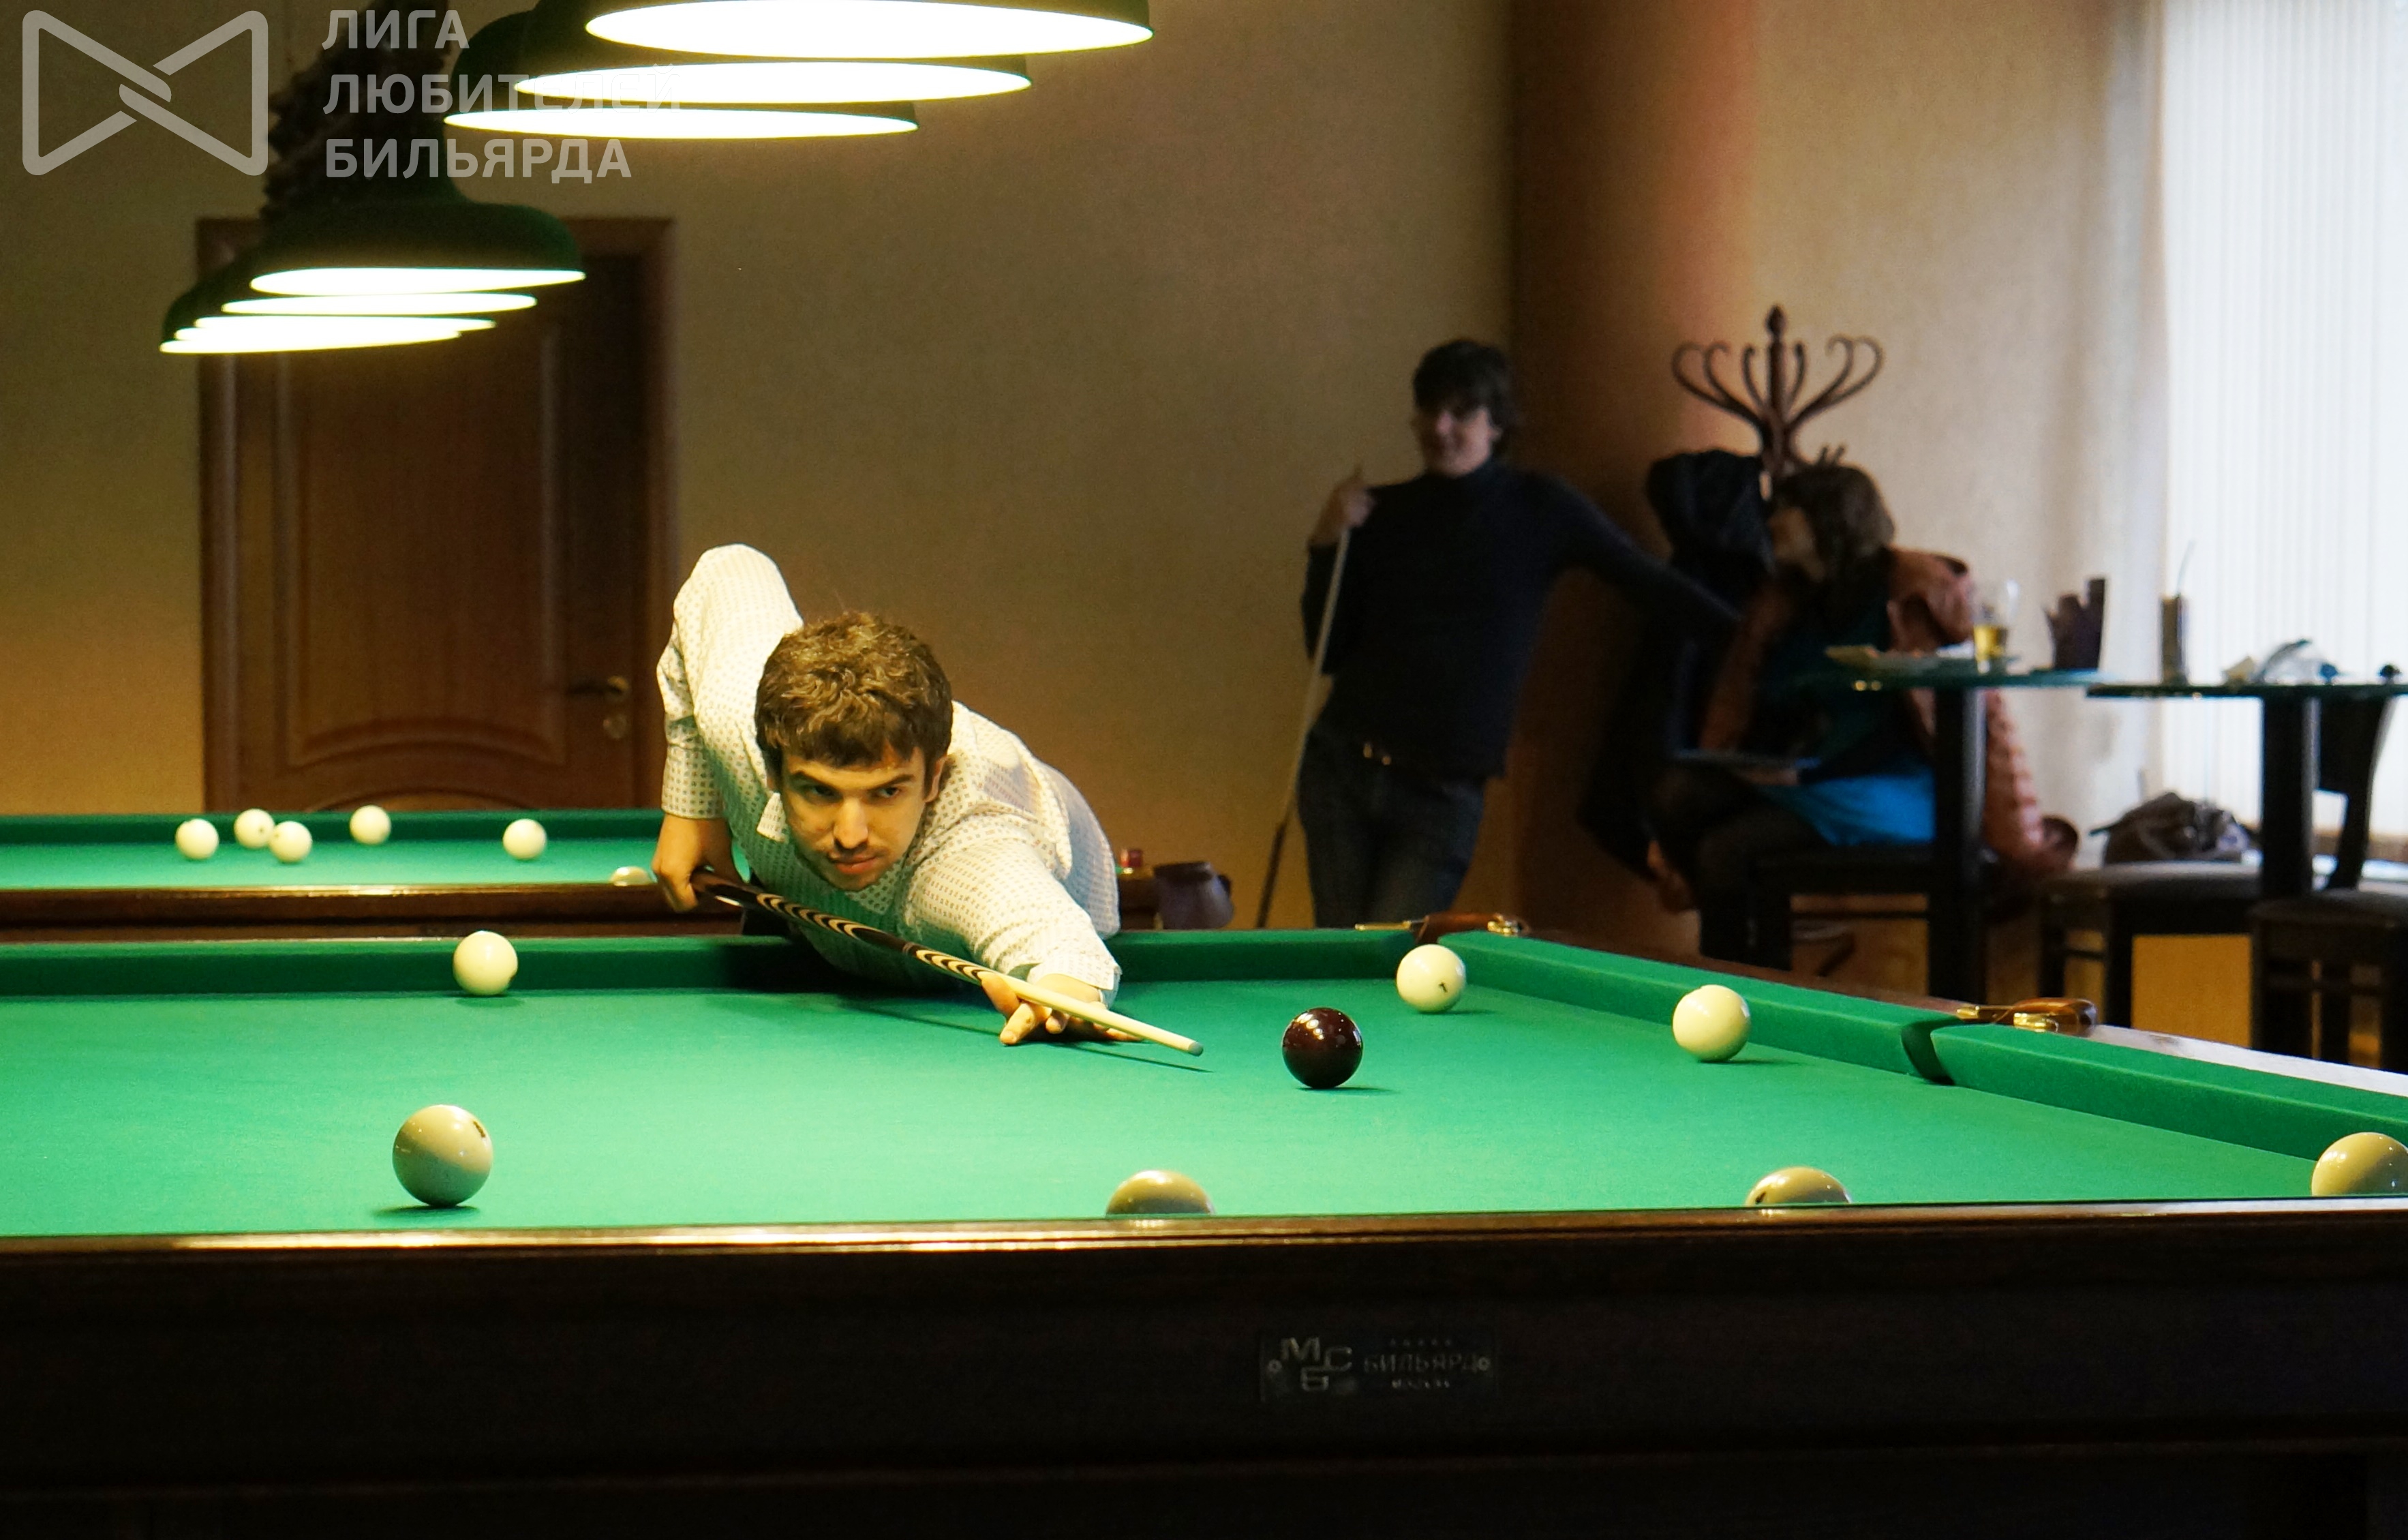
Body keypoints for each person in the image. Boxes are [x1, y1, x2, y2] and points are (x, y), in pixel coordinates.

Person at [1296, 339, 1740, 927]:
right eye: (1429, 409)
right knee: (1339, 950)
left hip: (1445, 791)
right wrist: (1325, 546)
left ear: (1497, 423)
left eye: (1461, 411)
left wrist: (1753, 643)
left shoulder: (1541, 509)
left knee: (1390, 950)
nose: (1440, 426)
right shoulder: (1380, 512)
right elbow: (1327, 652)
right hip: (1342, 771)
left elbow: (1646, 580)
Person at [649, 545, 1123, 1046]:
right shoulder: (735, 717)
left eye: (887, 792)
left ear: (933, 779)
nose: (850, 835)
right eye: (820, 791)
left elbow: (1056, 941)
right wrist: (693, 808)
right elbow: (728, 567)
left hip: (1054, 873)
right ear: (772, 769)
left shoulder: (969, 852)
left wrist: (1062, 994)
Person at [1647, 463, 2074, 961]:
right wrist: (1766, 756)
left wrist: (1805, 773)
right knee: (1673, 793)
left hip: (1897, 785)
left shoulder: (1911, 590)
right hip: (1814, 774)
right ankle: (1760, 945)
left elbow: (1943, 711)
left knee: (1724, 851)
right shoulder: (1786, 602)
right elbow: (1762, 701)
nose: (1771, 520)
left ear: (1830, 517)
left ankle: (1744, 985)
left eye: (1788, 508)